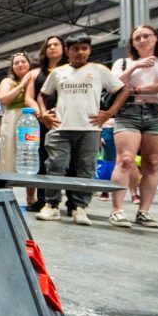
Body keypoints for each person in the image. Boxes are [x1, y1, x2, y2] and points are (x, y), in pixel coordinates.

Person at [36, 33, 130, 226]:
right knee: (55, 166)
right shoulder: (58, 72)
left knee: (85, 169)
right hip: (60, 128)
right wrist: (43, 114)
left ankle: (80, 208)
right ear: (68, 51)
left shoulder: (99, 70)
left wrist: (109, 113)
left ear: (89, 50)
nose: (80, 52)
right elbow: (42, 95)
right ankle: (52, 206)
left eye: (84, 48)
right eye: (75, 49)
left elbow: (122, 90)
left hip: (90, 129)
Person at [108, 25, 158, 228]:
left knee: (152, 162)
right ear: (132, 43)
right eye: (137, 38)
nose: (142, 40)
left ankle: (144, 212)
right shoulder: (123, 63)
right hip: (128, 112)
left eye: (146, 36)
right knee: (125, 160)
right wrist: (135, 67)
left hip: (157, 113)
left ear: (156, 38)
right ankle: (116, 211)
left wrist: (138, 89)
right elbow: (113, 84)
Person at [24, 35, 67, 213]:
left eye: (56, 44)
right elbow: (29, 97)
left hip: (65, 120)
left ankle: (73, 203)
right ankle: (42, 199)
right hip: (41, 120)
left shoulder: (69, 70)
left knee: (67, 162)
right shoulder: (36, 73)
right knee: (42, 159)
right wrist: (42, 114)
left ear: (63, 48)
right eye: (49, 45)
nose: (52, 48)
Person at [0, 53, 34, 205]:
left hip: (32, 119)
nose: (20, 65)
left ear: (29, 63)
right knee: (8, 156)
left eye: (23, 61)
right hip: (12, 119)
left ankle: (31, 196)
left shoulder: (35, 78)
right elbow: (4, 99)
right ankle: (5, 193)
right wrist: (21, 85)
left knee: (30, 157)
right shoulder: (8, 82)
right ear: (12, 67)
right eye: (16, 62)